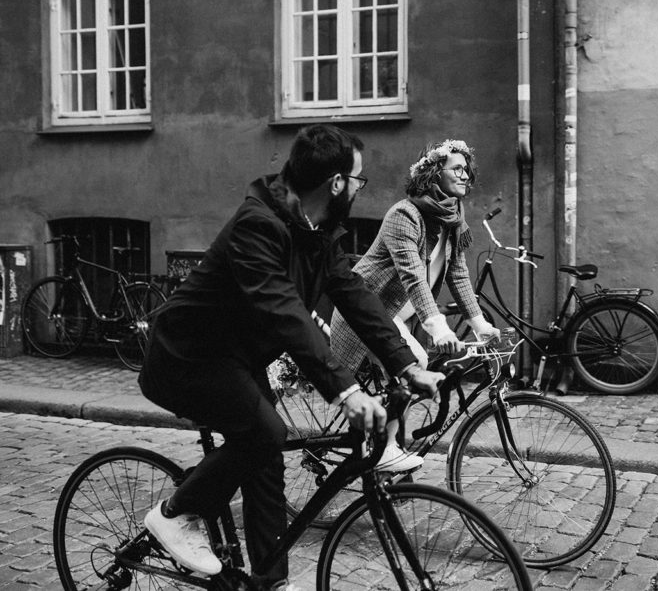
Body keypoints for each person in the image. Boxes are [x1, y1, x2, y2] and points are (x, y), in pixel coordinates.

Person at [138, 124, 438, 591]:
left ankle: (269, 581)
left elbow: (354, 294)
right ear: (335, 184)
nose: (359, 189)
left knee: (267, 460)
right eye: (358, 180)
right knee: (264, 433)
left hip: (237, 358)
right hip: (187, 357)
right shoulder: (258, 225)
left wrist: (406, 363)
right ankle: (175, 514)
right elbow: (286, 314)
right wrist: (347, 391)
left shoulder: (317, 230)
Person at [330, 139, 500, 471]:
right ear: (434, 174)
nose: (466, 175)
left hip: (401, 318)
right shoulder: (404, 214)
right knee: (415, 360)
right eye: (457, 169)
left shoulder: (452, 219)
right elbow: (412, 275)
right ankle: (385, 449)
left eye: (468, 169)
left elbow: (459, 275)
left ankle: (383, 435)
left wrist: (480, 325)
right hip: (368, 311)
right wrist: (437, 326)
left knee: (408, 381)